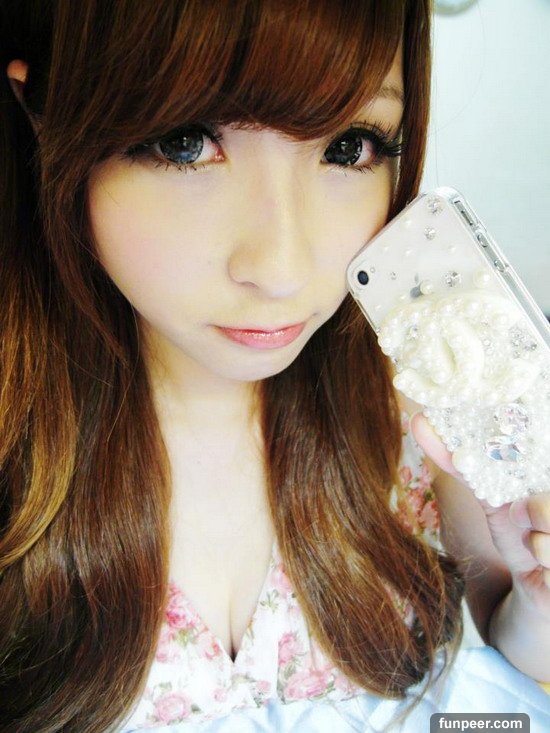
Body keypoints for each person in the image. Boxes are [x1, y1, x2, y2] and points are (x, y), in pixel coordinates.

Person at [0, 1, 549, 731]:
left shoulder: (421, 404)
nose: (284, 269)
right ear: (43, 114)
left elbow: (515, 646)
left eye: (349, 147)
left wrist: (538, 601)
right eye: (186, 143)